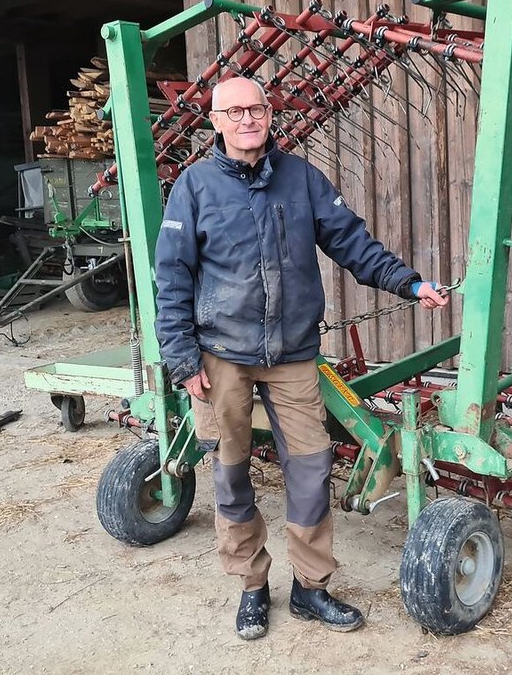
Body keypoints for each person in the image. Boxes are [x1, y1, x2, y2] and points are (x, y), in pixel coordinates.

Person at [154, 76, 448, 640]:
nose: (247, 119)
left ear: (269, 114)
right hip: (221, 356)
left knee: (311, 469)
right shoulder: (193, 187)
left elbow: (353, 244)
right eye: (234, 111)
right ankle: (252, 586)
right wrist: (183, 360)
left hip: (292, 353)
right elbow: (171, 278)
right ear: (215, 121)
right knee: (231, 471)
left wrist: (409, 284)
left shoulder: (301, 179)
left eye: (256, 108)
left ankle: (311, 588)